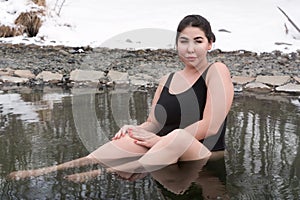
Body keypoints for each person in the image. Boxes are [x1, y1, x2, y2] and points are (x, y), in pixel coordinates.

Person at [8, 14, 234, 181]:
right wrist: (135, 129)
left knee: (178, 139)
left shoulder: (216, 71)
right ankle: (46, 171)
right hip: (162, 147)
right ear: (176, 44)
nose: (190, 49)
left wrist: (163, 141)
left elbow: (211, 127)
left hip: (204, 152)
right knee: (126, 141)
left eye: (198, 41)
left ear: (210, 43)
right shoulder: (168, 78)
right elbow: (154, 123)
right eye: (184, 41)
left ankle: (98, 173)